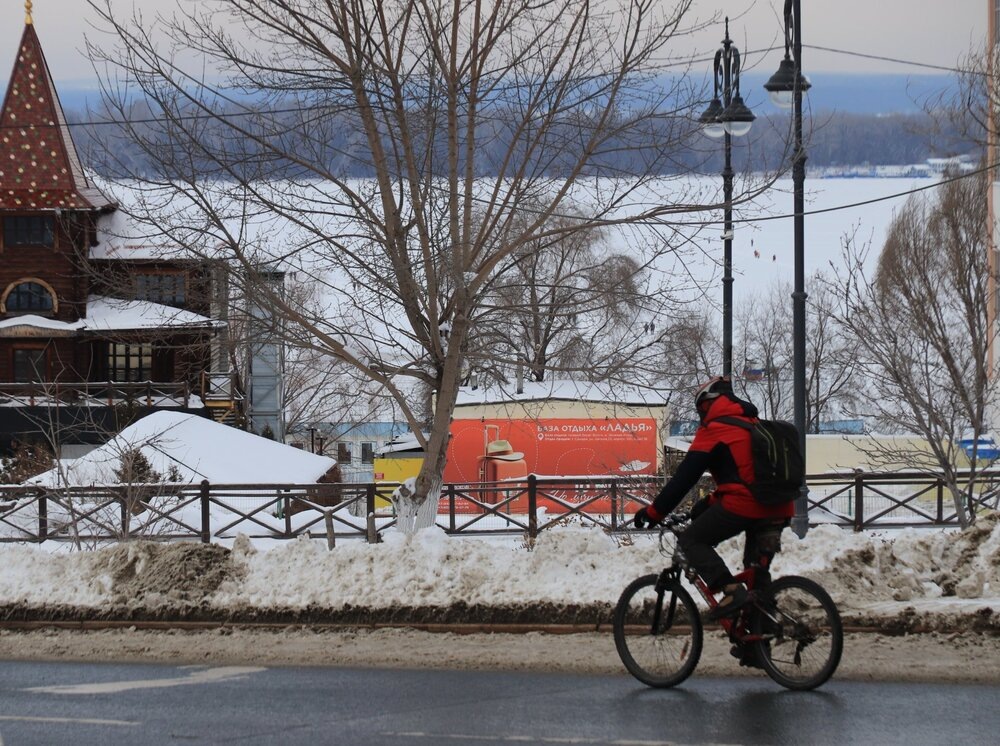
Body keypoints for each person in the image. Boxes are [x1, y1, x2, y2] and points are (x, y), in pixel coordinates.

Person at [633, 376, 794, 619]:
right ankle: (758, 644)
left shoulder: (715, 429)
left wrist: (655, 512)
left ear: (707, 404)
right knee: (757, 579)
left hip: (747, 507)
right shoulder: (752, 425)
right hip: (779, 509)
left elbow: (685, 478)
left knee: (691, 540)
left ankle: (729, 589)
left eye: (700, 410)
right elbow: (742, 477)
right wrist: (705, 505)